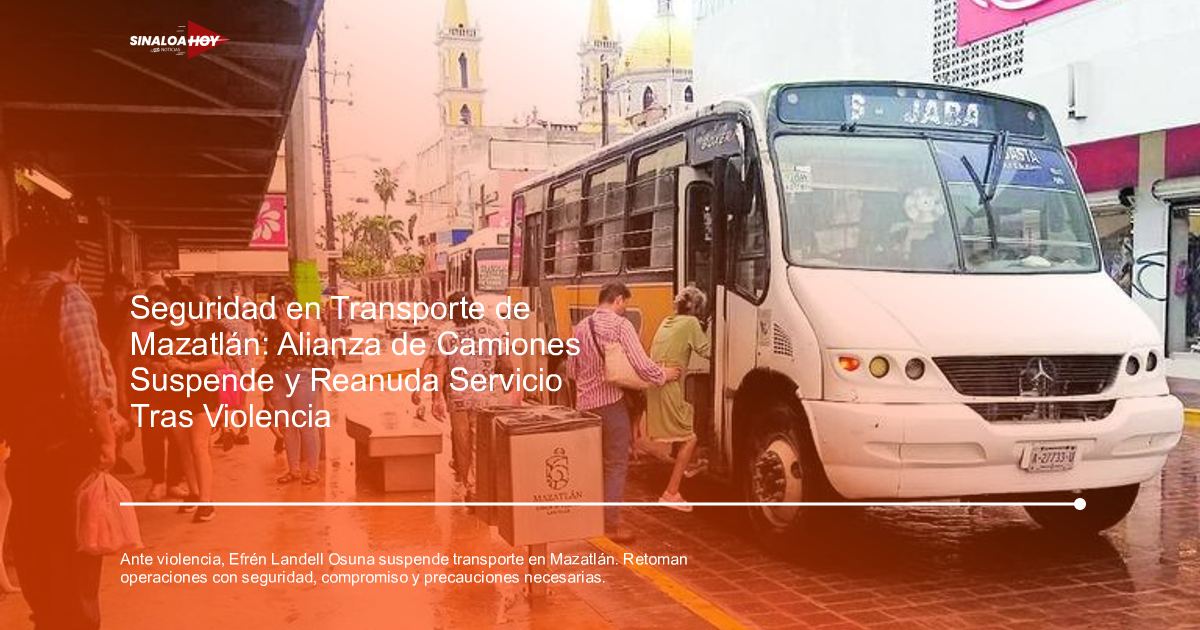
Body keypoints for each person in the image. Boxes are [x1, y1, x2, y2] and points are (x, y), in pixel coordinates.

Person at [0, 227, 121, 630]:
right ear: (75, 263)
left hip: (24, 447)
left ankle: (47, 621)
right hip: (66, 448)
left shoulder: (10, 302)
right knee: (77, 555)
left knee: (36, 549)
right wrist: (106, 438)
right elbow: (87, 379)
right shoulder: (68, 297)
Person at [568, 282, 680, 543]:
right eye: (625, 304)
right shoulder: (621, 326)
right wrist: (664, 375)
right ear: (618, 300)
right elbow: (641, 364)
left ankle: (589, 518)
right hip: (610, 406)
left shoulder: (580, 328)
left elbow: (571, 371)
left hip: (584, 407)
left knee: (591, 465)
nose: (624, 309)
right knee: (615, 464)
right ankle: (611, 525)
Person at [427, 291, 513, 501]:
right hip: (487, 399)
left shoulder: (445, 332)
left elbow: (439, 368)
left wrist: (436, 398)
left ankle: (472, 486)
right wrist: (509, 386)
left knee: (462, 446)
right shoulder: (491, 330)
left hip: (459, 400)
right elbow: (507, 363)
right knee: (482, 444)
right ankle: (479, 486)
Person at [646, 287, 712, 512]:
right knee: (689, 437)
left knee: (688, 415)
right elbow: (708, 351)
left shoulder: (668, 321)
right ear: (697, 309)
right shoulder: (692, 324)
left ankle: (687, 465)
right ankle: (671, 493)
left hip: (656, 384)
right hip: (669, 385)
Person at [162, 289, 223, 522]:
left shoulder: (201, 331)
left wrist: (186, 367)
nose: (170, 312)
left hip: (203, 394)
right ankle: (195, 493)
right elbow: (151, 362)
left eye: (173, 307)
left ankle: (207, 502)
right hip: (174, 395)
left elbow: (217, 362)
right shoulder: (159, 335)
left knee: (198, 446)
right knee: (183, 447)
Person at [263, 284, 321, 485]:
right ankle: (293, 468)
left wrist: (287, 325)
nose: (280, 306)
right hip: (277, 376)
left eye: (283, 301)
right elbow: (270, 353)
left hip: (301, 375)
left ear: (292, 301)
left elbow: (305, 346)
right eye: (276, 302)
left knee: (306, 424)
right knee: (287, 426)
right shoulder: (272, 324)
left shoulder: (306, 320)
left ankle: (313, 470)